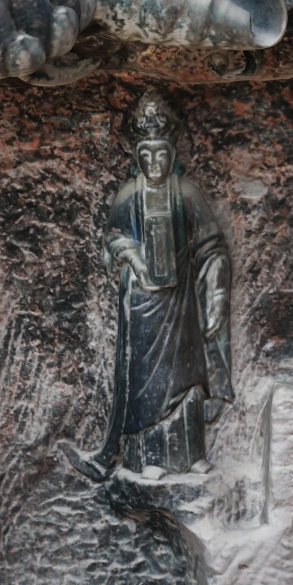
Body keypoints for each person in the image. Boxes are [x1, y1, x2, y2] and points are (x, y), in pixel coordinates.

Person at [97, 94, 226, 482]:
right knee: (146, 382)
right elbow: (113, 238)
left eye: (161, 154)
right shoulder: (127, 195)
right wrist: (132, 258)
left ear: (173, 153)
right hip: (142, 303)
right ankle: (146, 455)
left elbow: (212, 245)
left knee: (187, 375)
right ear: (137, 155)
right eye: (147, 155)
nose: (155, 163)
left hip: (181, 299)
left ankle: (190, 453)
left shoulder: (187, 194)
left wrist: (216, 292)